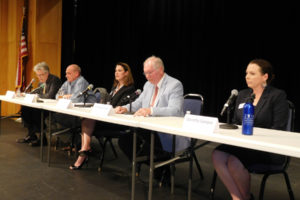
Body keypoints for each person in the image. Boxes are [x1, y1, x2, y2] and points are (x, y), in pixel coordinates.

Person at [212, 59, 289, 200]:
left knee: (234, 161)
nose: (247, 76)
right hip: (244, 144)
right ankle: (238, 197)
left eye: (252, 73)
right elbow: (236, 123)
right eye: (246, 73)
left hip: (267, 148)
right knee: (217, 154)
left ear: (264, 77)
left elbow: (279, 128)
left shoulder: (277, 96)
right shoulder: (242, 95)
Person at [115, 55, 189, 183]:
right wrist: (125, 108)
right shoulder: (148, 85)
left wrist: (151, 110)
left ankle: (161, 166)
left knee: (147, 140)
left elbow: (175, 110)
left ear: (160, 70)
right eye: (145, 73)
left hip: (166, 131)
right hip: (147, 127)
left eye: (150, 72)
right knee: (124, 140)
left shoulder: (174, 84)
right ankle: (158, 165)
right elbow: (139, 103)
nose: (147, 76)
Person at [69, 62, 135, 170]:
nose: (116, 73)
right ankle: (85, 149)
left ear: (126, 73)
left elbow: (121, 106)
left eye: (119, 71)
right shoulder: (115, 87)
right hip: (106, 118)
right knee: (86, 119)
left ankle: (84, 152)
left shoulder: (130, 89)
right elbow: (109, 103)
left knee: (86, 121)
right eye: (115, 71)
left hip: (117, 121)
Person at [16, 61, 62, 146]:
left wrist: (37, 96)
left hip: (52, 108)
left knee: (37, 112)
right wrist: (26, 95)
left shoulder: (54, 80)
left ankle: (42, 138)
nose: (39, 77)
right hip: (42, 106)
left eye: (41, 75)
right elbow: (36, 93)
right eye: (37, 75)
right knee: (25, 108)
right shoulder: (41, 82)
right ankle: (31, 135)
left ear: (47, 73)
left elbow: (50, 96)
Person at [50, 64, 96, 129]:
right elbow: (57, 96)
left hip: (83, 114)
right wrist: (67, 96)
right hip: (71, 111)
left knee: (51, 117)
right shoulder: (67, 82)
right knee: (49, 117)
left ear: (76, 73)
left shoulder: (81, 81)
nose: (66, 76)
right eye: (66, 73)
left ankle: (68, 137)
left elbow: (77, 100)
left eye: (68, 73)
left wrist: (65, 97)